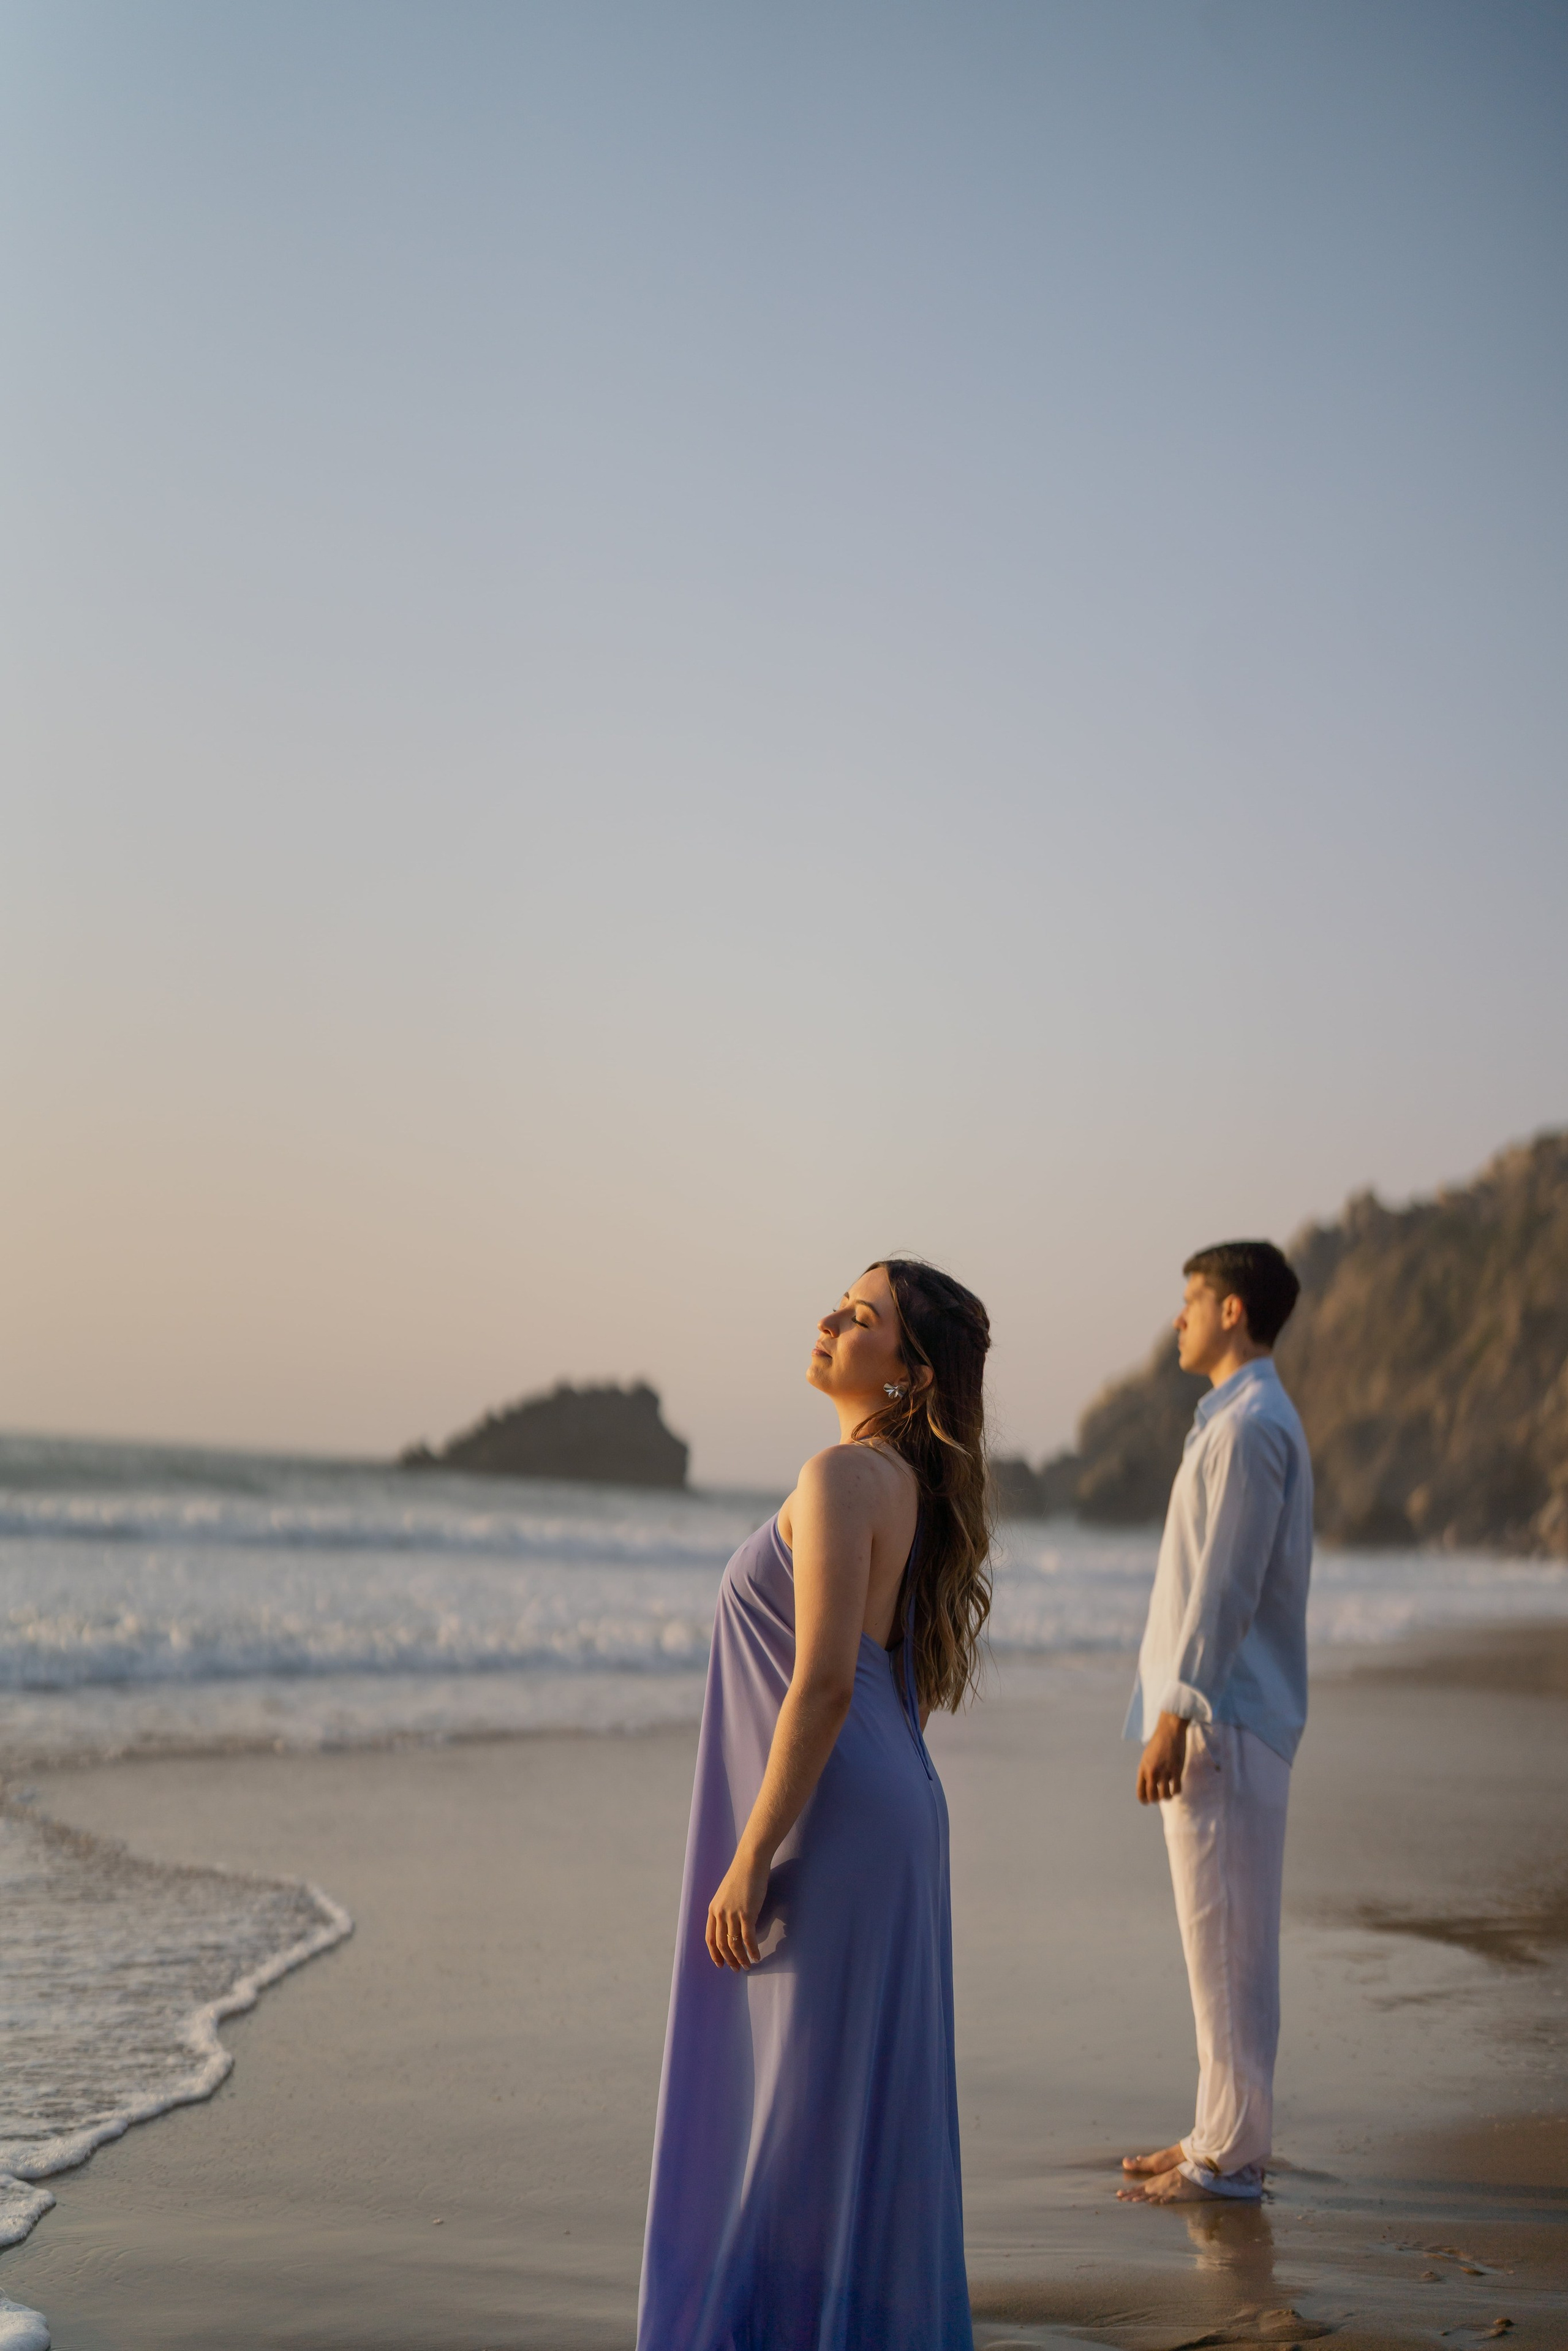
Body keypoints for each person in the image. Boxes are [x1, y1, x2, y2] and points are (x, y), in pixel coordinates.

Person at [636, 1259, 992, 2351]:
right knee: (848, 2115)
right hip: (893, 1812)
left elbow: (827, 1681)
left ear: (913, 1374)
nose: (831, 1321)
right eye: (841, 1302)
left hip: (837, 1819)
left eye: (863, 1316)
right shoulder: (909, 1488)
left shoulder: (841, 1474)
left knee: (799, 2118)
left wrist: (750, 1854)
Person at [1117, 1240, 1313, 2206]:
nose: (1180, 1317)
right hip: (1225, 1717)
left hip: (1222, 1721)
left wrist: (1175, 1711)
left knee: (1228, 1944)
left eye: (1192, 1299)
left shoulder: (1249, 1428)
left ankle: (1229, 2158)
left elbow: (1225, 1589)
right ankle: (1216, 2132)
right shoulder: (1241, 1420)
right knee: (1219, 1945)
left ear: (1232, 1310)